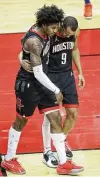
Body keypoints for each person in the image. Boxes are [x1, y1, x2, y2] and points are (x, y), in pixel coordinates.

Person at [1, 5, 64, 175]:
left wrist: (21, 57)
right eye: (52, 27)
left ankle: (63, 161)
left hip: (42, 81)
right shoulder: (34, 40)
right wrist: (56, 89)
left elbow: (22, 42)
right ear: (44, 24)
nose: (55, 30)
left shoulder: (42, 31)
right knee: (21, 121)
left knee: (55, 117)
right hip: (28, 84)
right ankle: (8, 159)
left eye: (56, 26)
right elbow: (37, 72)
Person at [19, 16, 85, 175]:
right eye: (66, 32)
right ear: (61, 26)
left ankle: (62, 141)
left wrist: (81, 73)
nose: (68, 36)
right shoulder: (50, 32)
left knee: (73, 114)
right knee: (51, 116)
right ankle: (47, 151)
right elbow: (26, 45)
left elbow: (75, 49)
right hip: (49, 76)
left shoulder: (75, 33)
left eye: (71, 34)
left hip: (67, 76)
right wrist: (21, 59)